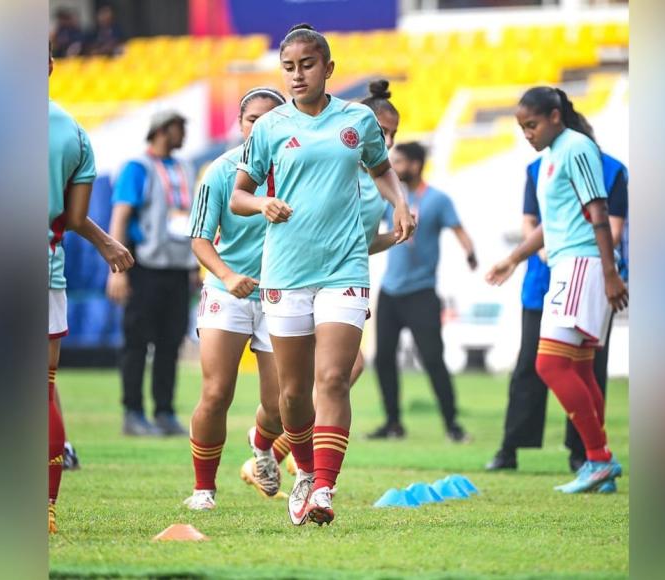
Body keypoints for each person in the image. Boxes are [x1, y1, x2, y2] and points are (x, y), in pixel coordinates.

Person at [231, 24, 415, 526]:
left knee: (334, 377)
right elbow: (238, 194)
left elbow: (381, 169)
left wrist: (400, 204)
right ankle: (305, 473)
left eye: (307, 65)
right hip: (286, 271)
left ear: (328, 68)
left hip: (344, 269)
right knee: (293, 393)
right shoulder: (269, 127)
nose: (297, 75)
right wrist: (262, 202)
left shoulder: (357, 119)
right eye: (288, 67)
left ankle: (325, 488)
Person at [486, 86, 628, 494]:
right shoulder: (550, 158)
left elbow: (597, 209)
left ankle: (598, 458)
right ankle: (599, 463)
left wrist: (609, 271)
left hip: (582, 265)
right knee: (580, 368)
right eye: (521, 128)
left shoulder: (577, 148)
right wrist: (513, 259)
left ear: (554, 116)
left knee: (548, 364)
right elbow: (554, 223)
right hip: (571, 263)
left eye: (531, 125)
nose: (526, 133)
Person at [182, 87, 289, 511]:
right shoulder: (221, 172)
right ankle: (203, 491)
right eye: (252, 120)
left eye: (271, 120)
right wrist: (227, 275)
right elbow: (200, 240)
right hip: (228, 294)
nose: (261, 127)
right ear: (240, 125)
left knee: (283, 405)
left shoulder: (299, 170)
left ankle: (261, 445)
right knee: (216, 392)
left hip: (282, 295)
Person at [48, 45, 134, 533]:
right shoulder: (74, 133)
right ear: (50, 67)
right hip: (45, 270)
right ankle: (45, 511)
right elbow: (75, 217)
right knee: (42, 393)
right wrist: (105, 244)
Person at [367, 141, 478, 443]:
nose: (393, 166)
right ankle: (392, 423)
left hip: (421, 293)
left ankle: (452, 425)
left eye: (399, 161)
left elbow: (459, 231)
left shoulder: (438, 200)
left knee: (432, 359)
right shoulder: (391, 195)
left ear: (415, 165)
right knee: (383, 359)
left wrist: (470, 253)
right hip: (390, 291)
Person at [107, 110, 198, 436]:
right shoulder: (138, 168)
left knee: (170, 342)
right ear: (162, 130)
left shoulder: (186, 167)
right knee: (137, 341)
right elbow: (121, 214)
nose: (184, 133)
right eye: (179, 127)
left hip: (178, 267)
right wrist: (116, 269)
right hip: (144, 266)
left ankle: (164, 411)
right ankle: (133, 412)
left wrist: (193, 265)